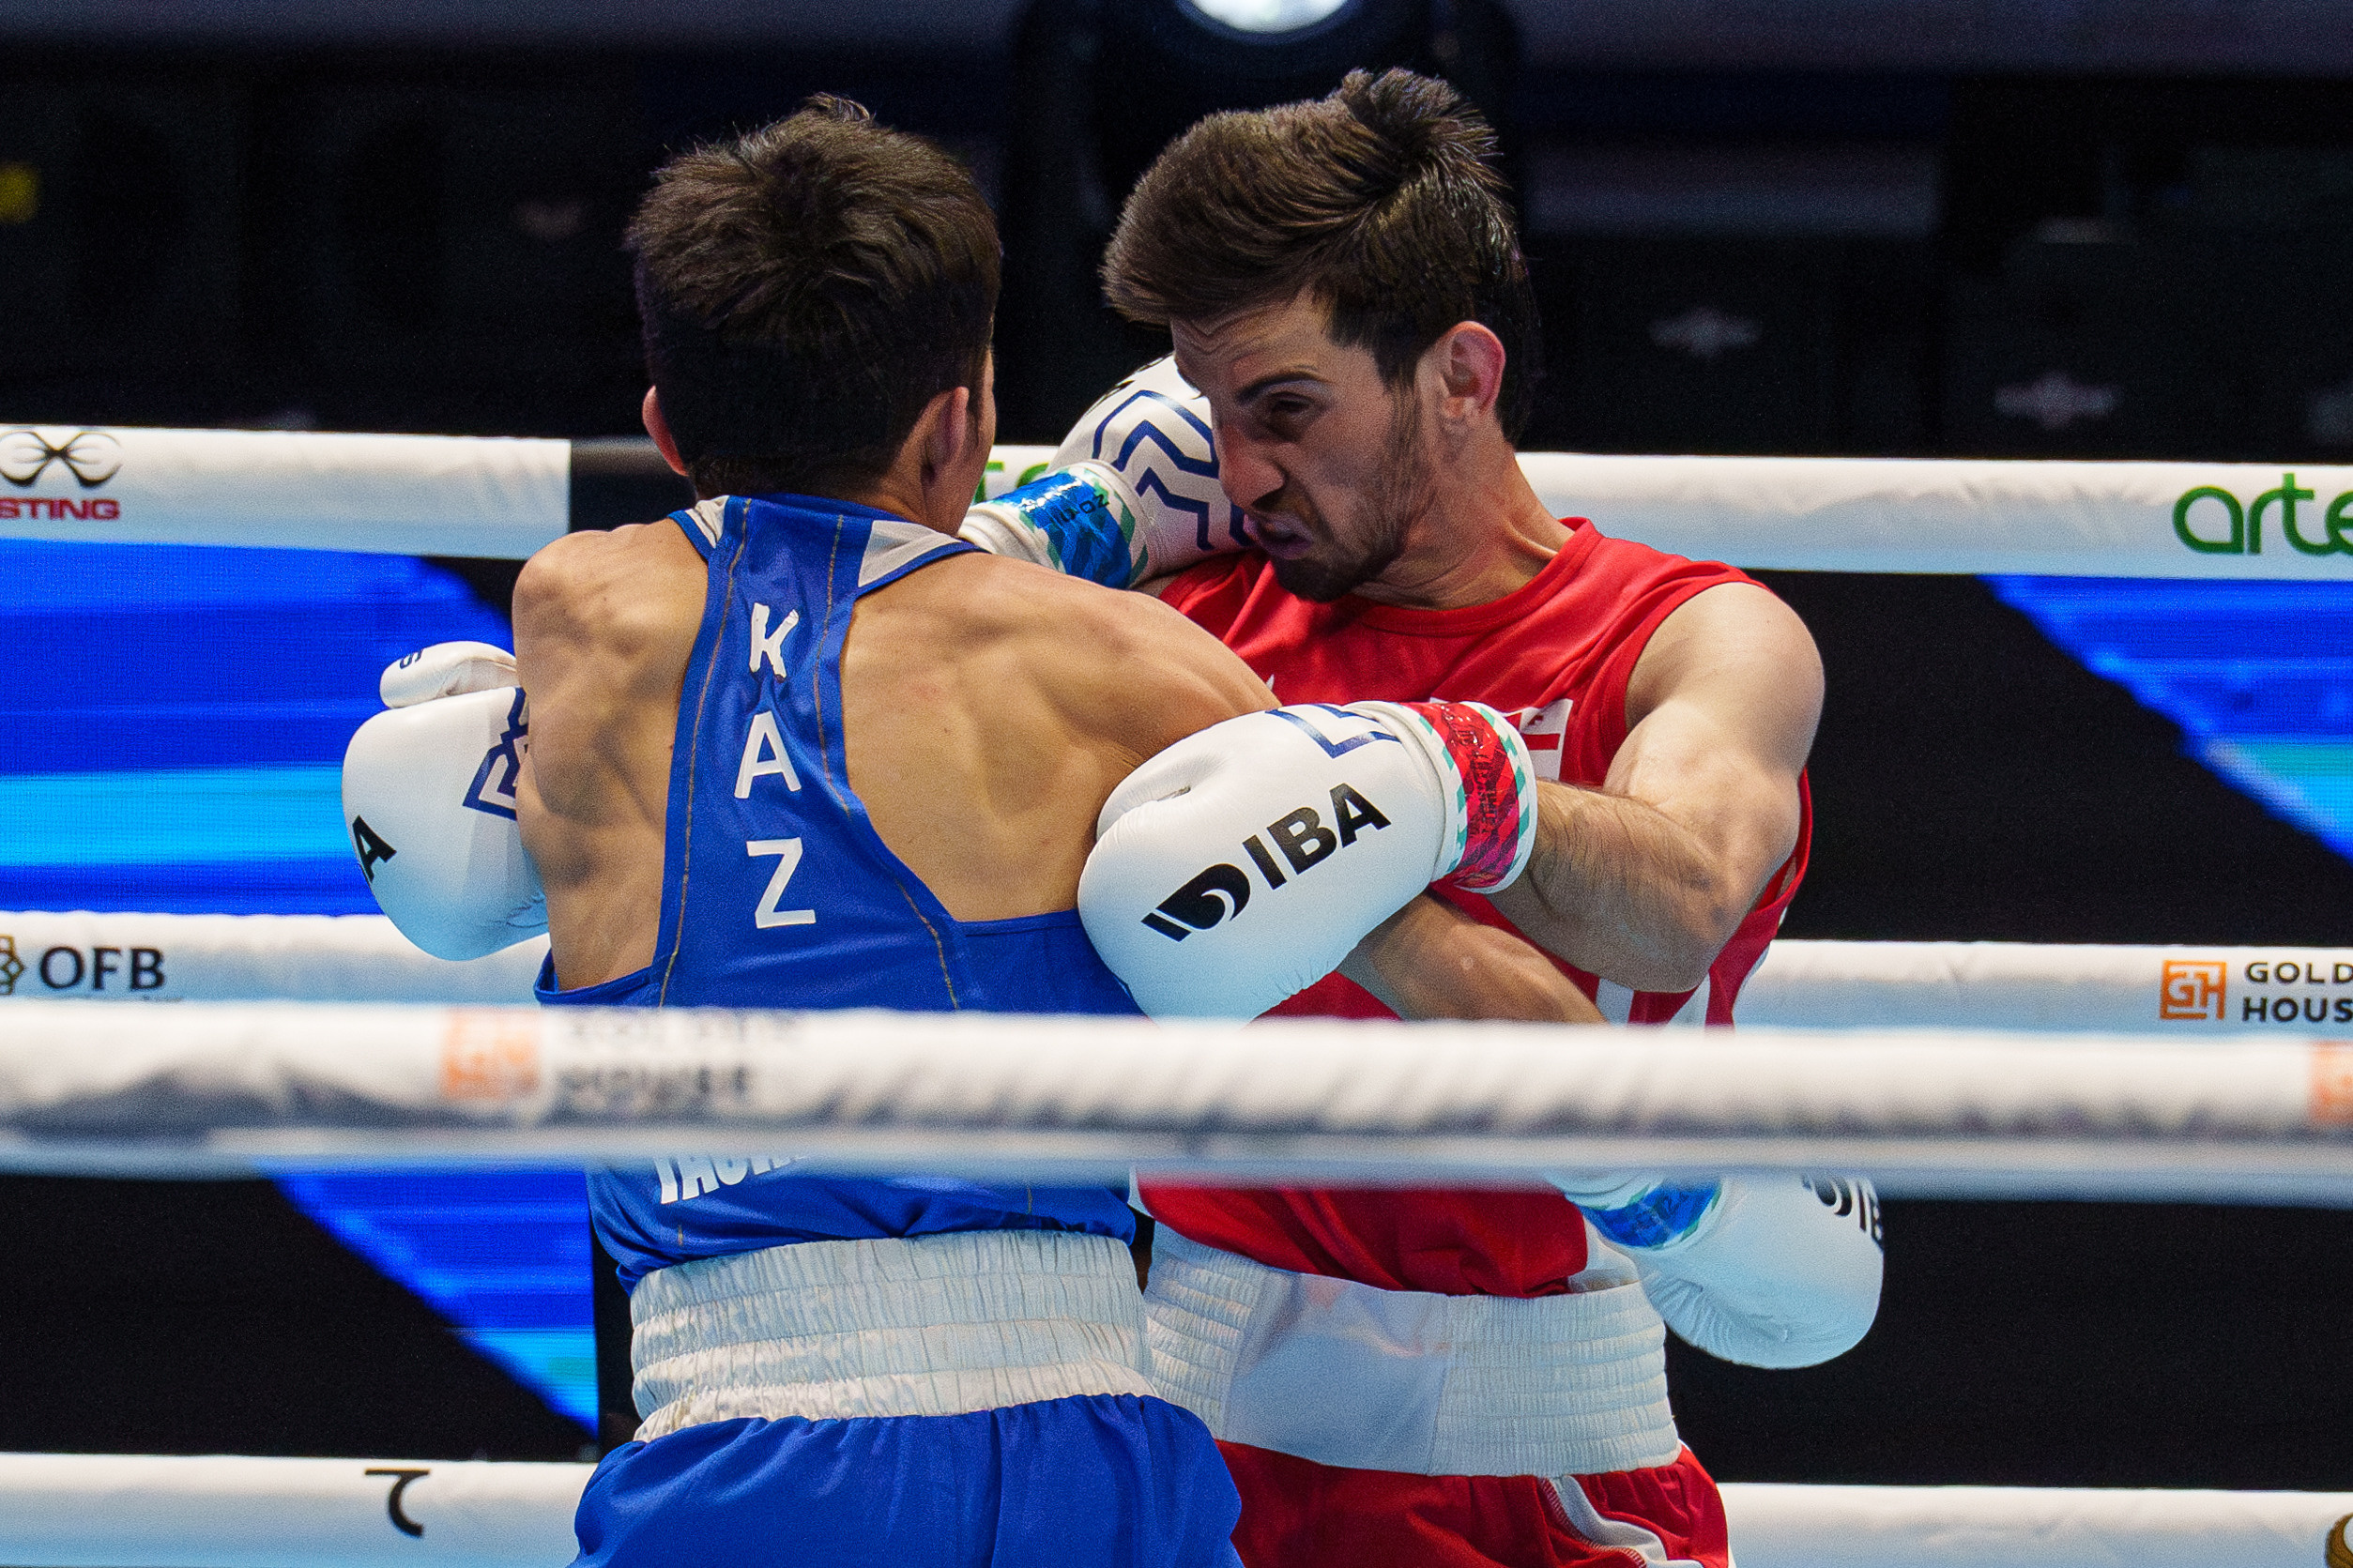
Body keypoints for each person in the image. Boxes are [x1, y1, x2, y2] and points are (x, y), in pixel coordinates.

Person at [340, 97, 1588, 1568]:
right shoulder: (1129, 671)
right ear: (966, 419)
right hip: (1092, 1440)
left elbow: (789, 591)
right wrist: (1677, 1184)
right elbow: (1483, 1004)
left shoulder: (575, 612)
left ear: (666, 425)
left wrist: (1046, 521)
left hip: (744, 1448)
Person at [1052, 69, 1884, 1568]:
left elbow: (1682, 894)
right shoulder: (1179, 622)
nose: (1243, 473)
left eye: (1287, 409)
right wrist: (1036, 538)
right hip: (1175, 1433)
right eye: (1214, 414)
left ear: (1459, 375)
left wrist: (1439, 778)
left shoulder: (1694, 635)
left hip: (1549, 1455)